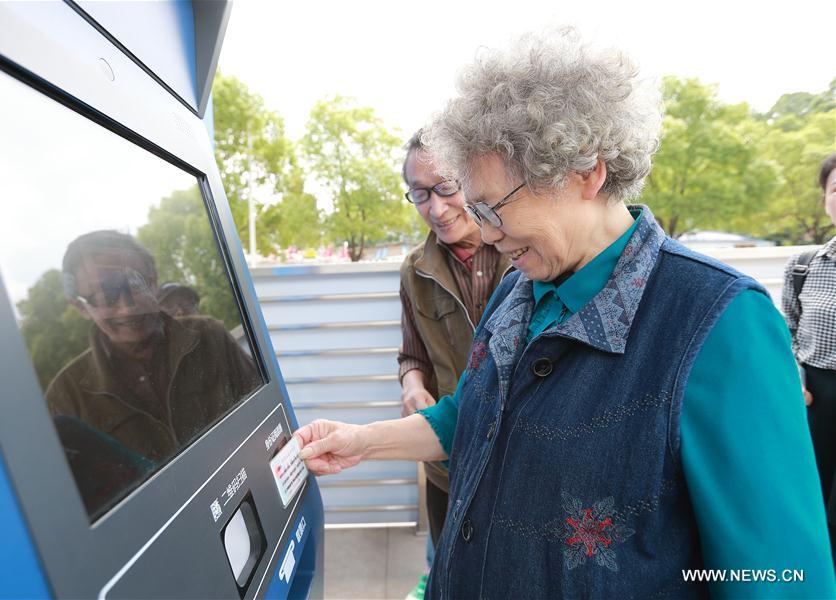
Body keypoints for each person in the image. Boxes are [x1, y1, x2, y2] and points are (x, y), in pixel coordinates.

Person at [295, 29, 835, 598]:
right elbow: (474, 418)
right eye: (476, 209)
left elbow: (781, 577)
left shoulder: (720, 322)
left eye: (494, 207)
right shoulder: (518, 289)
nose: (486, 232)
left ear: (587, 172)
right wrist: (363, 442)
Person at [46, 231, 261, 484]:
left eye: (136, 284)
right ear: (80, 306)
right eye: (107, 295)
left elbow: (263, 419)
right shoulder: (65, 397)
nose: (127, 307)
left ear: (154, 280)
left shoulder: (209, 336)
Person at [398, 130, 510, 596]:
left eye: (446, 188)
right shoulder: (414, 270)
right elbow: (412, 353)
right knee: (447, 566)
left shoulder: (522, 248)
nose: (437, 209)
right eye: (420, 194)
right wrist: (412, 385)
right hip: (448, 456)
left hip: (516, 458)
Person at [782, 153, 836, 562]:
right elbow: (787, 333)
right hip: (816, 399)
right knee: (809, 504)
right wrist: (794, 379)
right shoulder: (804, 267)